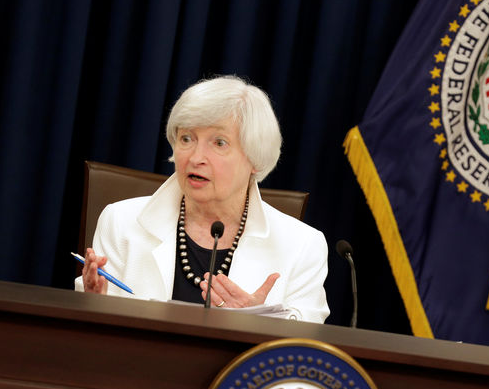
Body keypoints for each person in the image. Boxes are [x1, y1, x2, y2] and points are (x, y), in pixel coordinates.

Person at [75, 75, 329, 323]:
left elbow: (305, 349)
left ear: (254, 158)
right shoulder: (121, 221)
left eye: (219, 143)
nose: (196, 157)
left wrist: (261, 323)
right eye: (187, 139)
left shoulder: (302, 245)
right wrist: (96, 304)